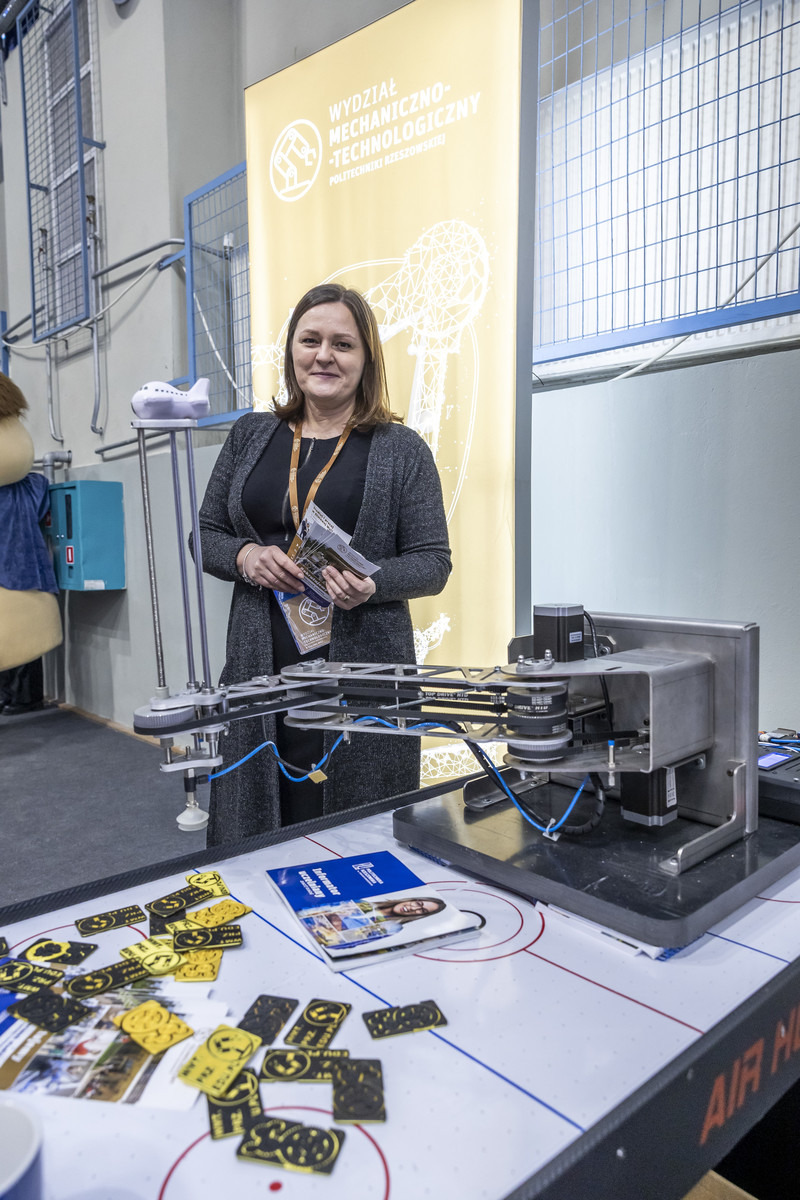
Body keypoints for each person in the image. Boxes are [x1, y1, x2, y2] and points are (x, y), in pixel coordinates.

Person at [197, 282, 451, 844]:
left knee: (357, 839)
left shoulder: (401, 448)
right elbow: (205, 534)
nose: (324, 356)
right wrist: (244, 554)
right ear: (292, 350)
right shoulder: (251, 435)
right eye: (310, 340)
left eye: (343, 344)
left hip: (362, 667)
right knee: (257, 821)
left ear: (366, 358)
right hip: (260, 661)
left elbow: (434, 562)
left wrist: (373, 582)